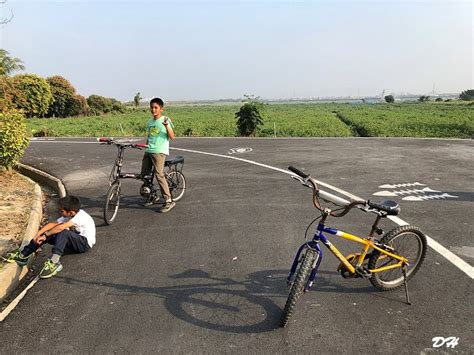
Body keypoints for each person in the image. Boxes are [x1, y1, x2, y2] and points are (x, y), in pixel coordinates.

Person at [2, 195, 95, 279]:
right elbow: (52, 224)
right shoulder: (69, 215)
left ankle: (54, 262)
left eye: (61, 211)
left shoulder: (81, 216)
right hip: (73, 242)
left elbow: (61, 227)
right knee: (51, 232)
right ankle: (24, 254)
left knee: (62, 232)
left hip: (84, 244)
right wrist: (38, 234)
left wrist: (46, 235)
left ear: (70, 212)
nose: (59, 212)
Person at [141, 97, 176, 213]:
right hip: (149, 150)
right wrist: (145, 147)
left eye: (156, 107)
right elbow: (150, 137)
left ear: (161, 109)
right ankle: (153, 196)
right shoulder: (150, 123)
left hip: (159, 151)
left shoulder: (165, 119)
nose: (153, 109)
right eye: (151, 107)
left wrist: (166, 126)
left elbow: (172, 136)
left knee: (159, 175)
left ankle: (168, 200)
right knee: (144, 175)